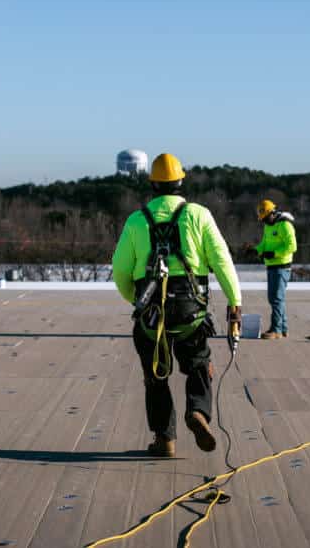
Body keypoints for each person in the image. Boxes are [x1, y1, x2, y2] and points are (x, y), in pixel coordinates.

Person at [112, 153, 242, 458]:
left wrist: (135, 299)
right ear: (181, 181)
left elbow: (119, 269)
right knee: (198, 363)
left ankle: (164, 439)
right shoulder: (198, 215)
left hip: (151, 313)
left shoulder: (136, 219)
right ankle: (197, 411)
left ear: (153, 184)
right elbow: (222, 262)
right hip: (191, 313)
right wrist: (234, 304)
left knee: (155, 375)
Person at [255, 199, 297, 339]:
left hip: (282, 267)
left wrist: (274, 253)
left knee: (277, 299)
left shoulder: (285, 225)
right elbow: (264, 244)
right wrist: (256, 250)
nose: (264, 222)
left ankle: (276, 330)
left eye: (265, 218)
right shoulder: (268, 226)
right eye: (263, 220)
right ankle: (283, 328)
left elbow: (292, 246)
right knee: (274, 298)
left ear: (272, 214)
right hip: (271, 266)